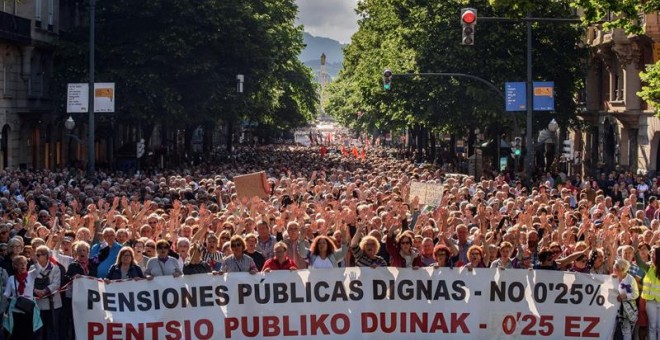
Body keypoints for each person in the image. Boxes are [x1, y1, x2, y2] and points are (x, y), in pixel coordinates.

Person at [3, 255, 42, 338]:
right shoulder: (11, 278)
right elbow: (6, 294)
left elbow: (39, 269)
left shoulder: (31, 275)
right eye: (20, 264)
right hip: (15, 309)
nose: (23, 265)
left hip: (29, 308)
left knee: (29, 333)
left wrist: (35, 261)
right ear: (15, 266)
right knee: (17, 333)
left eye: (24, 263)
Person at [32, 245, 62, 340]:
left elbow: (56, 284)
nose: (36, 257)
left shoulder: (55, 268)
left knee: (51, 330)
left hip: (53, 305)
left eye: (39, 255)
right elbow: (28, 282)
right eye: (36, 255)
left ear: (46, 256)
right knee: (38, 330)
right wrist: (35, 290)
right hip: (38, 305)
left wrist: (45, 291)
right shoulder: (32, 268)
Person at [614, 259, 639, 340]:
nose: (615, 269)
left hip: (627, 310)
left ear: (622, 269)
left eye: (616, 268)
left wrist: (625, 296)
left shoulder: (631, 279)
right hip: (615, 309)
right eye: (615, 268)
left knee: (627, 331)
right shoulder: (613, 278)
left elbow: (636, 294)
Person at [640, 246, 660, 340]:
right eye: (651, 254)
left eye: (653, 254)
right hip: (650, 302)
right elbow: (640, 263)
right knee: (652, 326)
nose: (651, 256)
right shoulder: (649, 267)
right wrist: (636, 250)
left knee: (659, 327)